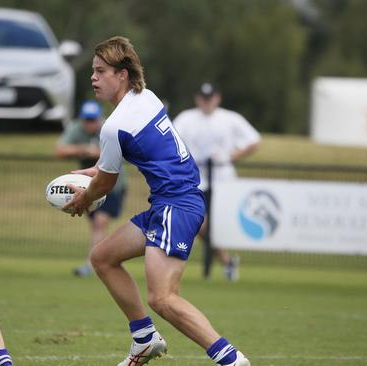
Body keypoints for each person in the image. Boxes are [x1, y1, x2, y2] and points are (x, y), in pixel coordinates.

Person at [63, 36, 250, 366]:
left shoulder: (115, 126)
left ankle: (232, 361)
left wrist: (84, 198)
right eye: (92, 70)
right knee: (103, 257)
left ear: (122, 74)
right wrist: (87, 176)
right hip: (173, 203)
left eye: (100, 70)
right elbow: (108, 166)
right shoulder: (145, 98)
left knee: (162, 298)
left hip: (175, 206)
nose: (92, 77)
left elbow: (106, 180)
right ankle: (144, 338)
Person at [173, 82, 260, 281]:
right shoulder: (186, 118)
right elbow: (171, 140)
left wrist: (230, 156)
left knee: (214, 227)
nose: (206, 102)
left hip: (223, 182)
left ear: (217, 98)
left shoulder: (230, 118)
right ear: (197, 99)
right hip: (195, 181)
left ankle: (224, 263)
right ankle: (227, 261)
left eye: (210, 97)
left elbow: (254, 140)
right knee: (198, 223)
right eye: (203, 98)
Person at [54, 100, 128, 277]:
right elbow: (60, 150)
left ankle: (92, 263)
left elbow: (123, 152)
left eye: (93, 120)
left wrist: (96, 152)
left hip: (113, 186)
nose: (90, 124)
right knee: (96, 226)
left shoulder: (108, 129)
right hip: (89, 187)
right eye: (87, 120)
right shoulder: (76, 129)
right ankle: (97, 260)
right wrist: (84, 149)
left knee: (100, 222)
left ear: (99, 119)